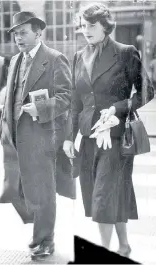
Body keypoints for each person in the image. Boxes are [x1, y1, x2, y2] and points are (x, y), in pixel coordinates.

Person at [63, 3, 154, 258]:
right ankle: (123, 245)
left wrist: (118, 108)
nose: (86, 30)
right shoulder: (79, 56)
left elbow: (147, 91)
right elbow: (74, 102)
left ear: (106, 26)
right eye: (83, 25)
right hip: (90, 139)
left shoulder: (126, 53)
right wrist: (69, 138)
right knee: (102, 197)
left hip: (116, 139)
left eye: (92, 25)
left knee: (103, 199)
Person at [0, 11, 75, 261]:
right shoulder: (15, 60)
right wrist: (2, 130)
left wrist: (40, 108)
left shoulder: (54, 59)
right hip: (15, 138)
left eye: (23, 33)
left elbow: (66, 98)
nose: (18, 38)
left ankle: (45, 240)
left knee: (43, 190)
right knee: (16, 188)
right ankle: (40, 232)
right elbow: (10, 98)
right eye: (16, 34)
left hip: (42, 139)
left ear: (38, 32)